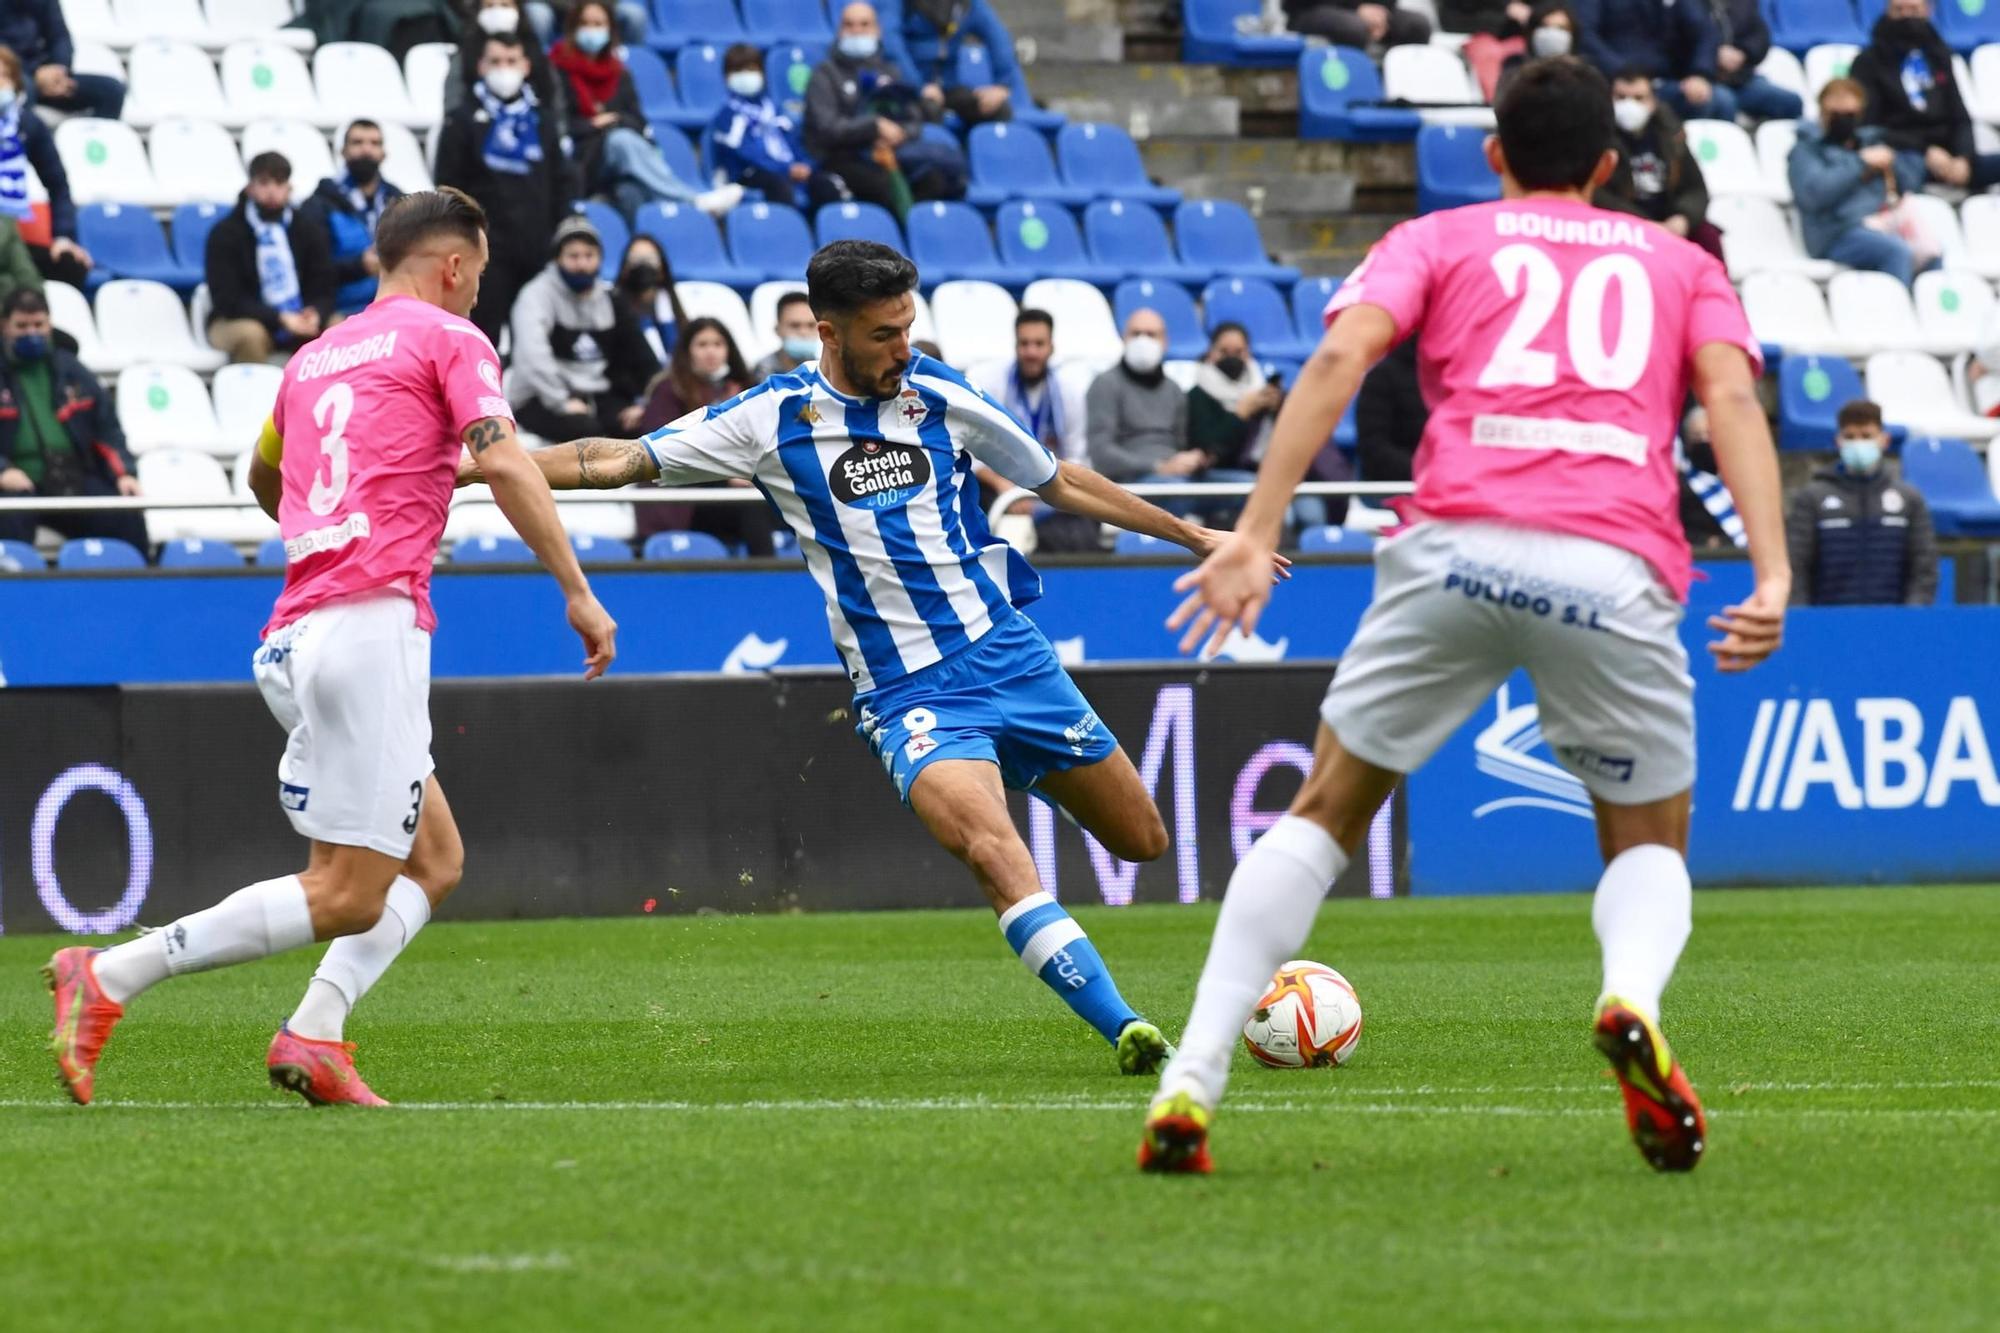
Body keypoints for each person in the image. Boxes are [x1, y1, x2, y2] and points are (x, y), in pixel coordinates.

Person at [1139, 58, 1789, 1177]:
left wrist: (1252, 530)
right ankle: (1627, 998)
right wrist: (1770, 573)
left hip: (1453, 545)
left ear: (1491, 154)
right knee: (1645, 838)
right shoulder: (1681, 262)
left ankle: (1189, 1079)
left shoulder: (1440, 240)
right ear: (1605, 164)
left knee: (1325, 809)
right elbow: (1728, 396)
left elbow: (1340, 354)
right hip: (1612, 555)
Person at [468, 240, 1289, 1071]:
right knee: (994, 849)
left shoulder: (940, 393)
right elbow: (615, 457)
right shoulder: (771, 418)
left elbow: (1059, 480)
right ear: (827, 331)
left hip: (1009, 654)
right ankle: (1128, 1030)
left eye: (908, 325)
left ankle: (1026, 777)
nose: (904, 347)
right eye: (884, 334)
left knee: (1143, 837)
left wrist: (1195, 534)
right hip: (907, 692)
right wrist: (481, 466)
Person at [45, 188, 619, 1107]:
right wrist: (579, 592)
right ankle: (111, 976)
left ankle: (314, 1031)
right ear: (456, 266)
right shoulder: (450, 338)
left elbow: (263, 475)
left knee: (433, 860)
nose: (478, 294)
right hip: (370, 625)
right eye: (479, 277)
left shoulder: (314, 357)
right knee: (348, 891)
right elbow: (506, 458)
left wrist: (339, 517)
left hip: (298, 628)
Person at [434, 31, 570, 347]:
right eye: (495, 61)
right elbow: (448, 186)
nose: (504, 68)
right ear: (481, 66)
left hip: (539, 249)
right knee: (482, 340)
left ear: (525, 65)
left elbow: (562, 181)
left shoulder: (542, 120)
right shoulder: (461, 119)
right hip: (484, 253)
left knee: (539, 342)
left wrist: (558, 236)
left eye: (511, 61)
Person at [549, 2, 741, 218]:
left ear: (610, 29)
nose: (592, 30)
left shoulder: (620, 73)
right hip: (583, 156)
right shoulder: (557, 70)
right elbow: (556, 124)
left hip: (620, 164)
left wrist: (615, 121)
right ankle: (691, 202)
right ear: (573, 28)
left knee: (630, 193)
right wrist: (593, 124)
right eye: (584, 23)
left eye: (598, 23)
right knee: (621, 141)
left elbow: (637, 121)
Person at [0, 287, 145, 553]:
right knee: (9, 522)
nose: (31, 332)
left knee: (124, 513)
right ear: (4, 326)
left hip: (70, 479)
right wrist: (3, 471)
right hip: (14, 486)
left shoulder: (71, 369)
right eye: (21, 325)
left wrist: (123, 473)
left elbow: (107, 428)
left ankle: (140, 587)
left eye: (38, 324)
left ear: (49, 323)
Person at [805, 4, 967, 218]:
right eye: (849, 25)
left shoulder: (890, 72)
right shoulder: (824, 74)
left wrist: (899, 133)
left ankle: (920, 241)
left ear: (877, 31)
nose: (857, 31)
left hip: (894, 153)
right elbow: (827, 128)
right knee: (881, 185)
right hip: (845, 156)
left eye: (865, 24)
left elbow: (914, 118)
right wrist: (874, 127)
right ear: (839, 31)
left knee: (936, 179)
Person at [1087, 308, 1249, 523]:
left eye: (1151, 334)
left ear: (1165, 341)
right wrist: (1157, 466)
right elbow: (1102, 454)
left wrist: (1197, 459)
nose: (1143, 341)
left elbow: (1181, 445)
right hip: (1132, 482)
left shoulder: (1173, 389)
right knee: (1178, 492)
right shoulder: (1105, 384)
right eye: (1136, 334)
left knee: (1251, 487)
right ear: (1124, 338)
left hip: (1179, 477)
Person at [506, 214, 659, 441]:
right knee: (587, 432)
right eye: (573, 256)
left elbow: (640, 355)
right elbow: (532, 356)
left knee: (641, 425)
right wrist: (561, 401)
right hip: (540, 396)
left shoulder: (610, 299)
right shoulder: (535, 295)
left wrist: (650, 403)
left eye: (589, 256)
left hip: (597, 395)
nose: (582, 264)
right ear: (558, 259)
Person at [633, 315, 777, 555]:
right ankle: (770, 580)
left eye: (718, 344)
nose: (711, 352)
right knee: (752, 508)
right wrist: (726, 477)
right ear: (687, 351)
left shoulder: (744, 388)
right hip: (686, 497)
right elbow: (662, 452)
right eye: (702, 345)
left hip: (742, 486)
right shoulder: (668, 390)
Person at [1785, 400, 1938, 606]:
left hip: (1893, 622)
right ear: (1838, 441)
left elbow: (1924, 568)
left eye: (1866, 436)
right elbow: (1796, 566)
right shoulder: (1812, 498)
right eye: (1850, 437)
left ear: (1884, 440)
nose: (1858, 443)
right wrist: (1804, 619)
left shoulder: (1908, 499)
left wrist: (1911, 617)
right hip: (1829, 624)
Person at [970, 307, 1096, 551]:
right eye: (1024, 344)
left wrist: (1040, 493)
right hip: (999, 487)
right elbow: (973, 456)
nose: (1031, 352)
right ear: (1015, 345)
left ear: (1052, 347)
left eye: (1039, 344)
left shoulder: (1069, 391)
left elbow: (1076, 456)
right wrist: (1007, 490)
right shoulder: (991, 385)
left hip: (1052, 487)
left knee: (1086, 523)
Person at [1790, 79, 1929, 288]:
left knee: (1930, 251)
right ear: (1822, 112)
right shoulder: (1806, 150)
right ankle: (1897, 316)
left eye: (1850, 114)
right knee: (1896, 252)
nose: (1843, 120)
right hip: (1836, 232)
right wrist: (1859, 163)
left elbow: (1911, 184)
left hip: (1882, 223)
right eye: (1836, 114)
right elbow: (1813, 196)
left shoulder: (1873, 141)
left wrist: (1892, 162)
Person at [1849, 0, 2000, 191]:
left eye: (1913, 10)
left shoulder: (1938, 54)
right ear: (1887, 11)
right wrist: (1925, 152)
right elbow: (1869, 128)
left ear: (1928, 11)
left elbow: (1960, 116)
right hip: (1903, 157)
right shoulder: (1868, 62)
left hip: (1951, 157)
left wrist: (1963, 158)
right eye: (1899, 10)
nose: (1906, 17)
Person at [205, 152, 337, 365]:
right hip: (238, 319)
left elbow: (324, 286)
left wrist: (316, 312)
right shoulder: (225, 233)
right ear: (250, 187)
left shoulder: (308, 230)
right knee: (251, 335)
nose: (272, 191)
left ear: (289, 188)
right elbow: (227, 300)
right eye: (264, 183)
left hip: (299, 317)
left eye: (279, 183)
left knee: (340, 328)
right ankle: (255, 397)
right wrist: (280, 318)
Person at [1600, 71, 1725, 263]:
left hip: (1670, 220)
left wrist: (1683, 218)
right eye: (1621, 97)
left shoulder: (1670, 133)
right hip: (1621, 227)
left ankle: (1721, 292)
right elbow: (1597, 194)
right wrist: (1643, 224)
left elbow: (1696, 188)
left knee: (1707, 235)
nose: (1629, 105)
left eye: (1638, 98)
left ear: (1652, 101)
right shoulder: (1599, 138)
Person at [0, 45, 90, 290]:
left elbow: (58, 185)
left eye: (5, 77)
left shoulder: (28, 125)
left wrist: (64, 237)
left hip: (9, 239)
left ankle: (39, 325)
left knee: (69, 265)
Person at [298, 121, 407, 321]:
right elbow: (312, 269)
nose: (366, 149)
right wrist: (360, 266)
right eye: (358, 142)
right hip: (338, 309)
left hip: (392, 307)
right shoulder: (319, 204)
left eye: (375, 143)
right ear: (343, 151)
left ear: (384, 153)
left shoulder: (399, 201)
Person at [712, 43, 834, 211]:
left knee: (826, 184)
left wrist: (804, 165)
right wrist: (786, 169)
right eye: (738, 71)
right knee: (779, 186)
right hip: (749, 172)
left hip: (787, 169)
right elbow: (744, 153)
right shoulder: (728, 114)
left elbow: (795, 142)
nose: (746, 75)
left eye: (751, 69)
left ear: (762, 73)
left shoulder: (775, 109)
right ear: (726, 77)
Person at [1183, 322, 1280, 527]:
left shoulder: (1258, 390)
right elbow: (1205, 447)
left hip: (1258, 472)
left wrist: (1273, 410)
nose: (1232, 358)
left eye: (1238, 352)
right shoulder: (1198, 395)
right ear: (1211, 353)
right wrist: (1240, 415)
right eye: (1224, 351)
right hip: (1210, 475)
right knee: (1262, 493)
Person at [1573, 0, 1733, 122]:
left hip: (1665, 82)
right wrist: (1623, 72)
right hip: (1615, 82)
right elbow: (1585, 35)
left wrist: (1700, 73)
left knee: (1721, 100)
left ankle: (1686, 163)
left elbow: (1704, 32)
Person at [880, 0, 1017, 126]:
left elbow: (997, 36)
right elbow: (892, 45)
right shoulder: (901, 4)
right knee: (930, 110)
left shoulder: (967, 4)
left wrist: (1002, 85)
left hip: (948, 87)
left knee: (997, 109)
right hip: (911, 89)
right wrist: (919, 87)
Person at [0, 0, 122, 120]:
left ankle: (92, 138)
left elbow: (60, 38)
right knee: (23, 91)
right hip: (11, 74)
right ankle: (21, 139)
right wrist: (34, 74)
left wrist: (59, 69)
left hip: (44, 73)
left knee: (111, 91)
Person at [444, 0, 562, 125]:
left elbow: (553, 99)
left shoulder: (534, 50)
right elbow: (453, 103)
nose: (497, 12)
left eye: (505, 5)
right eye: (489, 6)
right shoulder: (466, 53)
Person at [1705, 0, 1801, 122]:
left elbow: (1760, 36)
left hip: (1741, 79)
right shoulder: (1688, 4)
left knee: (1791, 103)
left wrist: (1743, 52)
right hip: (1704, 81)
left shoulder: (1744, 3)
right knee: (1724, 102)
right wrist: (1714, 55)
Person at [614, 233, 686, 366]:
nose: (643, 265)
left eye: (650, 259)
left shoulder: (674, 313)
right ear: (625, 269)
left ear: (662, 269)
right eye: (636, 259)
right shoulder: (613, 312)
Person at [1281, 0, 1433, 51]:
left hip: (1366, 10)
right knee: (1353, 28)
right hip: (1310, 10)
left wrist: (1379, 13)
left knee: (1417, 26)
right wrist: (1357, 9)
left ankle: (1404, 97)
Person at [750, 289, 821, 382]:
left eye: (811, 325)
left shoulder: (825, 369)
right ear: (777, 330)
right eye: (795, 325)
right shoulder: (762, 370)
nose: (804, 332)